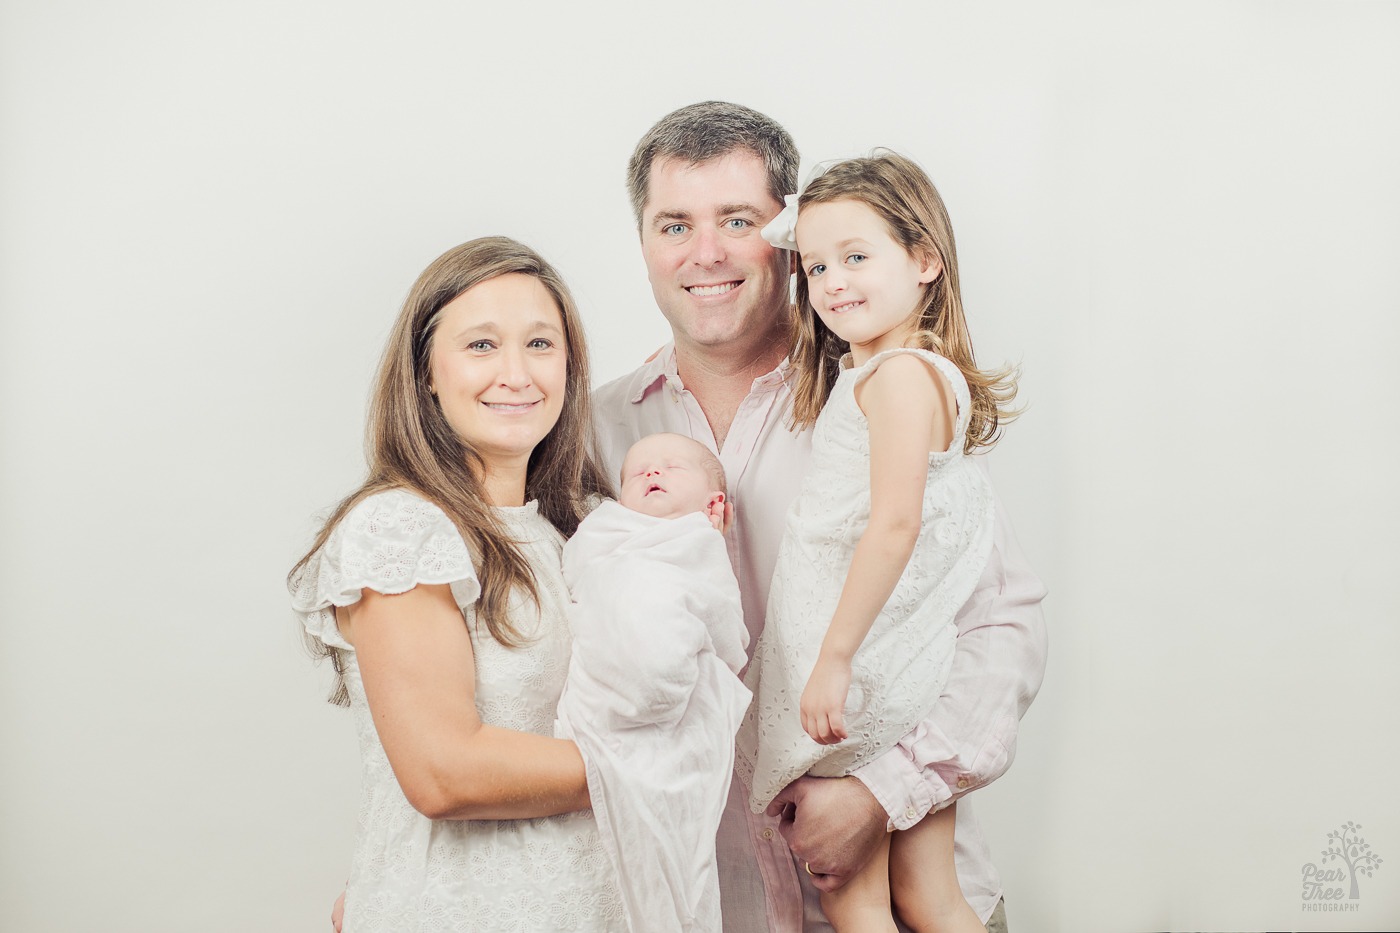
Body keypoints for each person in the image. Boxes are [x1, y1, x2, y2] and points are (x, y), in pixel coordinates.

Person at [592, 102, 1048, 933]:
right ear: (644, 243)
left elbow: (1000, 623)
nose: (707, 253)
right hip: (712, 908)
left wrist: (884, 791)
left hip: (908, 898)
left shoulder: (879, 400)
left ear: (788, 236)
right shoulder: (593, 431)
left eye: (739, 220)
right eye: (674, 224)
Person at [290, 236, 625, 932]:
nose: (517, 373)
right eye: (481, 345)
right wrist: (654, 769)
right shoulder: (401, 528)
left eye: (540, 343)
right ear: (426, 375)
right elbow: (445, 771)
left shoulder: (583, 529)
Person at [735, 151, 1016, 933]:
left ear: (925, 258)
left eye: (857, 257)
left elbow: (897, 525)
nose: (833, 282)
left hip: (863, 676)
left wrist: (834, 657)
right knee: (929, 894)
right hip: (899, 674)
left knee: (854, 899)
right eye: (817, 265)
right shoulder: (900, 375)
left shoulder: (896, 377)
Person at [556, 432, 751, 933]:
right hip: (600, 687)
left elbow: (724, 624)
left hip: (670, 692)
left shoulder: (699, 542)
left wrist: (722, 659)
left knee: (672, 846)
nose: (652, 473)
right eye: (637, 472)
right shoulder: (602, 529)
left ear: (714, 504)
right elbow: (576, 577)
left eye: (671, 467)